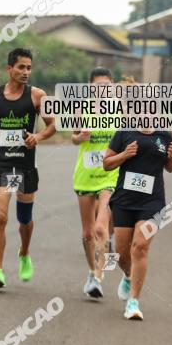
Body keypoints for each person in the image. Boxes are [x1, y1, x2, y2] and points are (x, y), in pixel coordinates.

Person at [0, 47, 55, 288]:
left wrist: (37, 137)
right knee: (0, 217)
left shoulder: (37, 96)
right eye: (21, 67)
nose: (26, 72)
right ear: (9, 69)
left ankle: (24, 253)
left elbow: (52, 125)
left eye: (29, 68)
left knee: (24, 220)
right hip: (1, 164)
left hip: (25, 165)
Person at [102, 122, 172, 320]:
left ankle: (133, 302)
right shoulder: (124, 132)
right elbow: (106, 163)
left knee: (140, 247)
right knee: (121, 251)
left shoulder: (164, 134)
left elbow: (171, 168)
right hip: (124, 201)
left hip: (152, 202)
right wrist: (125, 154)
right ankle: (128, 275)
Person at [71, 67, 119, 298]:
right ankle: (91, 271)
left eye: (106, 86)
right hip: (85, 175)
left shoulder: (121, 111)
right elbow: (74, 136)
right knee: (87, 233)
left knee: (101, 228)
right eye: (97, 86)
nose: (102, 90)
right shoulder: (82, 109)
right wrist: (79, 137)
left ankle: (99, 278)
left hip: (110, 175)